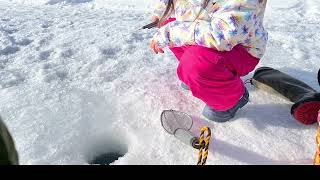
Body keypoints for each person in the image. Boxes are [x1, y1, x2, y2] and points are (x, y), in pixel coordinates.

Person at [150, 0, 268, 122]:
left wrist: (170, 33)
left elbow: (222, 36)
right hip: (205, 34)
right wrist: (160, 13)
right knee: (171, 23)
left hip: (239, 48)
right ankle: (199, 76)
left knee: (194, 60)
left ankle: (233, 97)